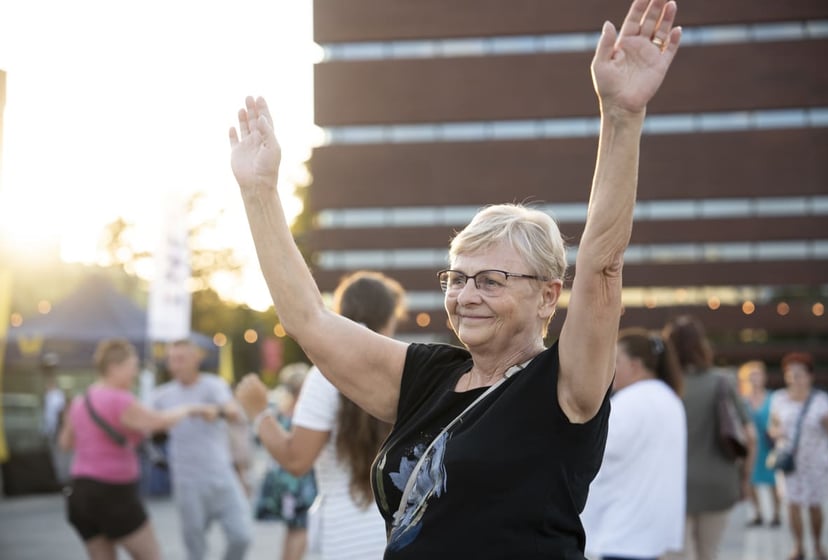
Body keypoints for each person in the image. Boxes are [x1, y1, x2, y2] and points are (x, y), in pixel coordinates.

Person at [228, 0, 681, 556]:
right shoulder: (426, 376)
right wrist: (259, 193)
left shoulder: (564, 385)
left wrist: (621, 116)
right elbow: (308, 319)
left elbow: (602, 261)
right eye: (457, 278)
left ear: (547, 295)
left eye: (490, 280)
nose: (466, 296)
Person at [238, 270, 405, 560]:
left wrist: (259, 413)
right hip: (400, 531)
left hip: (346, 536)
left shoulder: (325, 374)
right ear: (388, 318)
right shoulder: (406, 367)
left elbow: (296, 459)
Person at [58, 338, 212, 560]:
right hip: (113, 493)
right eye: (132, 366)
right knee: (151, 556)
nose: (135, 373)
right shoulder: (119, 400)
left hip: (80, 494)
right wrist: (190, 408)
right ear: (114, 368)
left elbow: (65, 444)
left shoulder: (81, 401)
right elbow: (159, 421)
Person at [581, 327, 686, 560]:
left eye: (616, 360)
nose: (611, 368)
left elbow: (592, 451)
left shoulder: (630, 402)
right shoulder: (669, 399)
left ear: (635, 365)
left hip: (625, 528)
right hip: (650, 525)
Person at [662, 315, 756, 560]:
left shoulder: (663, 385)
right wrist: (745, 479)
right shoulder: (722, 381)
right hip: (719, 483)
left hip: (672, 486)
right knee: (709, 552)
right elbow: (750, 435)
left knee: (677, 554)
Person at [152, 339, 253, 560]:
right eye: (171, 360)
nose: (175, 365)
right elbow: (146, 426)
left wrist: (216, 411)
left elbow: (235, 413)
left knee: (241, 536)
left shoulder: (213, 385)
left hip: (221, 477)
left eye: (180, 359)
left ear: (195, 359)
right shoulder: (161, 396)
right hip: (187, 482)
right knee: (195, 549)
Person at [768, 352, 828, 560]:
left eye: (799, 374)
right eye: (790, 374)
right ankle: (798, 547)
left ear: (810, 376)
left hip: (817, 461)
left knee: (815, 505)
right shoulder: (778, 398)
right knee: (792, 504)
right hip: (790, 461)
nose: (794, 378)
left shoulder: (821, 400)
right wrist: (775, 432)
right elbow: (772, 425)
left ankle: (817, 546)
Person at [253, 363, 318, 560]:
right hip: (299, 480)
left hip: (281, 477)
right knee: (300, 529)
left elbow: (260, 439)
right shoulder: (305, 413)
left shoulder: (280, 411)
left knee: (292, 529)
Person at [737, 359, 782, 527]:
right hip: (750, 447)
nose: (755, 379)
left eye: (757, 375)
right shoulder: (743, 400)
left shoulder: (774, 398)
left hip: (769, 446)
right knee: (750, 480)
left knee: (773, 481)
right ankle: (758, 513)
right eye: (751, 376)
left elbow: (779, 420)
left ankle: (776, 513)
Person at [42, 352, 70, 485]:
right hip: (51, 431)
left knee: (61, 457)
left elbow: (60, 413)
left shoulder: (57, 396)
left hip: (56, 432)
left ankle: (62, 481)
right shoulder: (48, 396)